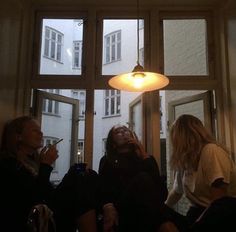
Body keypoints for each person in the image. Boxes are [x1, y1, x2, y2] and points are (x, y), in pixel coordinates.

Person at [0, 116, 98, 232]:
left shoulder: (32, 162)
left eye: (41, 130)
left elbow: (48, 192)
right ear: (18, 136)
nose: (41, 133)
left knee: (84, 173)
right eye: (35, 130)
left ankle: (107, 207)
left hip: (49, 208)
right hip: (37, 218)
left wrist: (72, 170)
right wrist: (45, 165)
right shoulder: (9, 165)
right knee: (81, 186)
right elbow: (36, 199)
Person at [165, 114, 236, 231]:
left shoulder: (211, 151)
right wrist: (162, 210)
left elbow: (218, 202)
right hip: (197, 212)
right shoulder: (185, 160)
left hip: (220, 215)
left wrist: (197, 225)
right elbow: (177, 192)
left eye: (174, 135)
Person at [98, 125, 169, 232]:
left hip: (146, 209)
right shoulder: (108, 161)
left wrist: (142, 152)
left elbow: (161, 192)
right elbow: (103, 189)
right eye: (118, 132)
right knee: (143, 178)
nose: (123, 132)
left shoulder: (146, 159)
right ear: (112, 143)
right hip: (123, 208)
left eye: (126, 130)